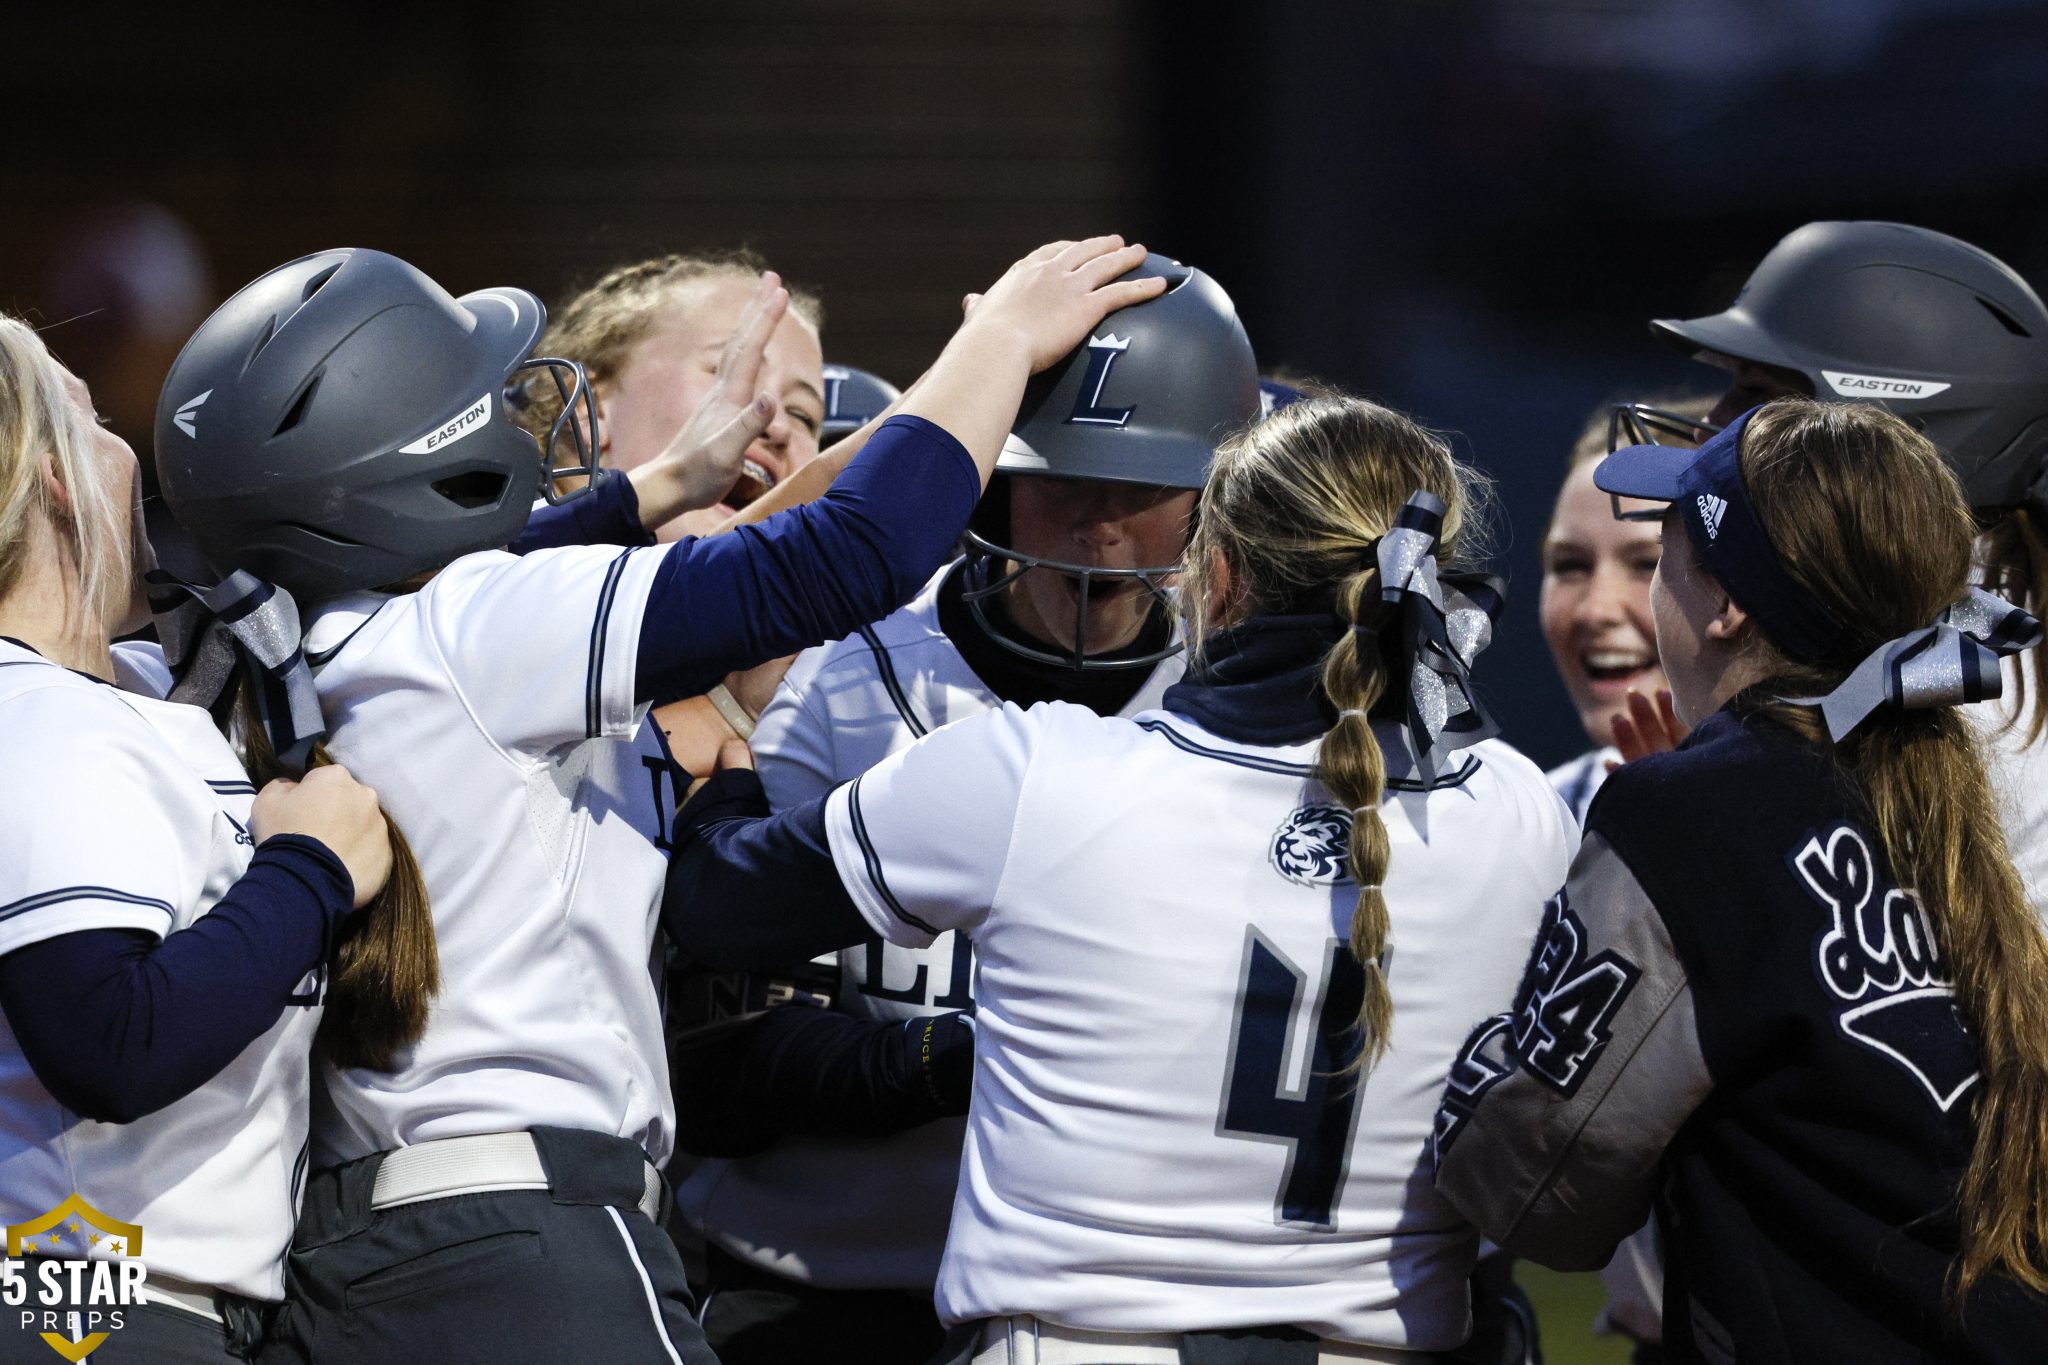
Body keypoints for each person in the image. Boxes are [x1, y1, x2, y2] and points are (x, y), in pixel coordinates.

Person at [151, 237, 1164, 1365]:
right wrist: (999, 340)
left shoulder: (296, 652)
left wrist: (655, 487)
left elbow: (665, 554)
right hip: (526, 1247)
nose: (514, 403)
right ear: (400, 451)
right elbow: (848, 553)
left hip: (361, 1255)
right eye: (470, 393)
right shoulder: (471, 631)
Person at [665, 392, 1578, 1362]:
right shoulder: (1521, 813)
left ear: (1214, 575)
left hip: (1082, 1341)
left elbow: (717, 906)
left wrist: (724, 764)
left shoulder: (1038, 772)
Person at [669, 253, 1260, 1365]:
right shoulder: (838, 675)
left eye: (1139, 492)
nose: (1096, 532)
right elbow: (718, 1066)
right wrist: (957, 1060)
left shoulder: (1240, 712)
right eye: (1066, 481)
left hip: (1089, 1314)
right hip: (804, 1287)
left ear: (1215, 496)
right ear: (993, 475)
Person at [1435, 399, 2048, 1363]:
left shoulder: (1689, 814)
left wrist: (1469, 1052)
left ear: (1724, 603)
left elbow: (1533, 1190)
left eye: (1661, 553)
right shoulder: (1957, 797)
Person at [0, 316, 393, 1362]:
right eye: (96, 418)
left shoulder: (107, 698)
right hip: (78, 1304)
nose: (133, 455)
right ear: (52, 477)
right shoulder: (35, 717)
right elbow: (107, 1043)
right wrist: (309, 875)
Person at [1630, 221, 2048, 909]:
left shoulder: (1930, 671)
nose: (1710, 424)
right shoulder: (1985, 624)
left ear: (1891, 436)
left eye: (1758, 398)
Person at [1539, 401, 1707, 825]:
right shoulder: (1522, 828)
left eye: (1649, 564)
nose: (1595, 610)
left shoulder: (1870, 811)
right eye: (1570, 566)